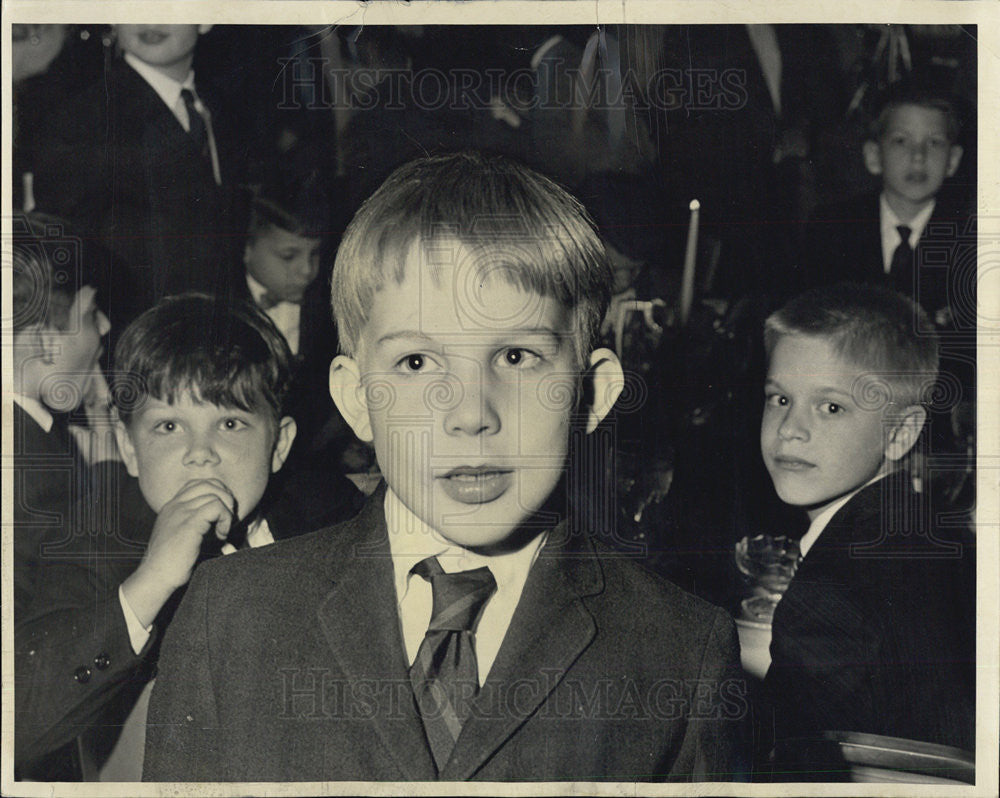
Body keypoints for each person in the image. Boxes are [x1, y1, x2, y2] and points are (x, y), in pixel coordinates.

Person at [143, 151, 748, 782]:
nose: (469, 414)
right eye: (416, 364)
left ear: (591, 394)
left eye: (516, 356)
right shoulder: (231, 616)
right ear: (356, 399)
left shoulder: (681, 653)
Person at [15, 294, 303, 777]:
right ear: (128, 449)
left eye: (230, 423)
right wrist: (149, 584)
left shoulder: (324, 516)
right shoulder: (93, 540)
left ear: (280, 445)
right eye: (169, 426)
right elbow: (17, 725)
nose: (200, 453)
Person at [758, 284, 975, 776]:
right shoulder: (947, 539)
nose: (791, 428)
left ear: (900, 434)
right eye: (780, 398)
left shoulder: (826, 603)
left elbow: (785, 775)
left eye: (831, 407)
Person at [30, 24, 244, 329]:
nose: (150, 19)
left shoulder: (220, 106)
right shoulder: (82, 118)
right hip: (135, 341)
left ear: (206, 17)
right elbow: (64, 256)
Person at [11, 214, 113, 620]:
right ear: (45, 340)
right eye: (91, 314)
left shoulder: (35, 434)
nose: (105, 326)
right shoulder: (34, 470)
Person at [803, 86, 971, 325]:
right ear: (874, 156)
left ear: (953, 160)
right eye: (901, 141)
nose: (918, 156)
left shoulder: (970, 241)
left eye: (934, 142)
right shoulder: (831, 228)